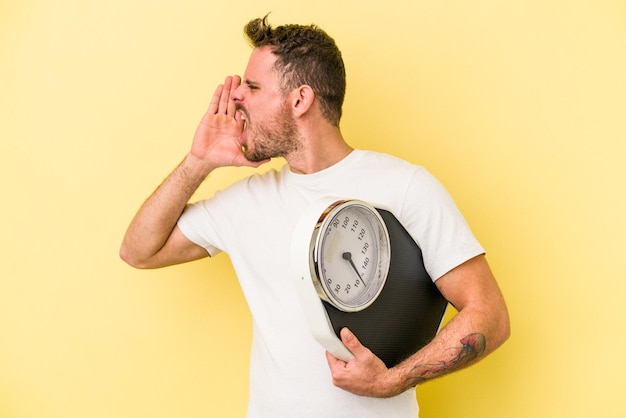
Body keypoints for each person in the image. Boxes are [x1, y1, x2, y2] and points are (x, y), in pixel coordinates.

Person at [120, 15, 510, 417]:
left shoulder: (405, 186)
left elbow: (489, 315)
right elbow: (139, 251)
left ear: (299, 100)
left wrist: (391, 381)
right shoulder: (244, 203)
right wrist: (198, 162)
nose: (237, 98)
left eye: (253, 87)